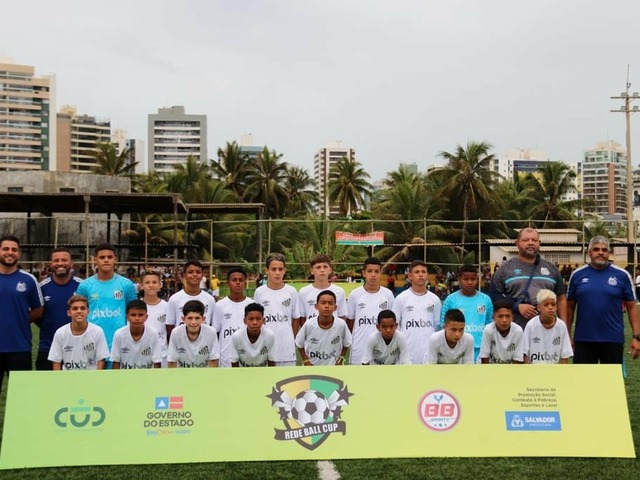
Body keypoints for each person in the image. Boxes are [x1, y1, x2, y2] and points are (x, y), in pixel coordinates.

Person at [566, 236, 640, 364]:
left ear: (608, 253)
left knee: (611, 382)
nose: (600, 252)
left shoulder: (622, 275)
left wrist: (636, 337)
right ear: (589, 253)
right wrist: (567, 335)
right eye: (596, 249)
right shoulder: (577, 275)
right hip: (584, 339)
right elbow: (569, 307)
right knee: (583, 381)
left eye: (604, 250)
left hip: (613, 339)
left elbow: (632, 307)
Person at [490, 227, 566, 330]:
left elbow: (561, 298)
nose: (530, 243)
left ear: (539, 243)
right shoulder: (505, 269)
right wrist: (516, 306)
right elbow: (494, 296)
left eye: (534, 240)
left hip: (547, 331)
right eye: (526, 240)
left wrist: (564, 328)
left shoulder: (552, 268)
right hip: (515, 332)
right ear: (517, 243)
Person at [76, 243, 137, 358]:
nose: (106, 260)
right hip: (91, 344)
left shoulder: (126, 284)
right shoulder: (85, 285)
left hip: (120, 345)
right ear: (95, 260)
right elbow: (77, 313)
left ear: (115, 259)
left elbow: (134, 313)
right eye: (102, 257)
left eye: (109, 257)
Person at [0, 234, 44, 392]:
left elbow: (38, 310)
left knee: (20, 395)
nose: (10, 252)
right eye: (5, 249)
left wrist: (18, 320)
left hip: (19, 348)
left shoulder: (29, 280)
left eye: (14, 250)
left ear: (19, 254)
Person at [34, 247, 82, 370]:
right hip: (48, 349)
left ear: (71, 263)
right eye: (56, 260)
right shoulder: (42, 288)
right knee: (47, 388)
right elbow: (36, 314)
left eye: (64, 260)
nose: (60, 263)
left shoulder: (82, 286)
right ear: (51, 264)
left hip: (78, 348)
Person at [253, 253, 302, 366]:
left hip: (287, 350)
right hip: (265, 349)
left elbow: (296, 319)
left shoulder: (292, 291)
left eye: (280, 269)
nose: (277, 273)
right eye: (273, 269)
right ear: (267, 271)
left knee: (288, 383)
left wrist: (290, 337)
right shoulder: (259, 292)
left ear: (285, 270)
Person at [346, 257, 395, 365]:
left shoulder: (388, 295)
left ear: (380, 273)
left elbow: (392, 322)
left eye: (376, 271)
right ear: (364, 273)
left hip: (382, 348)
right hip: (359, 347)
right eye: (369, 271)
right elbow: (350, 321)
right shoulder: (354, 294)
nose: (373, 275)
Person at [392, 260, 442, 365]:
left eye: (423, 272)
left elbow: (436, 328)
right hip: (407, 355)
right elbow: (395, 327)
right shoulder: (401, 298)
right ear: (410, 276)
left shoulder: (435, 300)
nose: (421, 275)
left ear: (427, 275)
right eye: (417, 272)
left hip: (429, 356)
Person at [440, 264, 493, 362]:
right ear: (459, 280)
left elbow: (489, 326)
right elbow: (443, 325)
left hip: (480, 350)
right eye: (466, 279)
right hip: (458, 351)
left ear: (477, 279)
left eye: (473, 279)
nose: (470, 282)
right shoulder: (450, 300)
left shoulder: (486, 300)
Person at [48, 294, 109, 370]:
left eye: (83, 308)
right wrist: (60, 381)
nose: (79, 311)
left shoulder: (97, 331)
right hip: (68, 379)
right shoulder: (60, 333)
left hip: (90, 379)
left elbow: (101, 360)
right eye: (75, 308)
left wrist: (96, 380)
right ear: (68, 313)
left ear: (88, 311)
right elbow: (56, 361)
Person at [296, 290, 352, 366]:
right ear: (316, 306)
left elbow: (347, 343)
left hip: (333, 367)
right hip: (312, 367)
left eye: (330, 303)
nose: (326, 306)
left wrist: (341, 358)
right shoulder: (309, 324)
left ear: (335, 307)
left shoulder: (341, 324)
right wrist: (306, 361)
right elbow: (299, 344)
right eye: (323, 303)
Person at [212, 267, 254, 367]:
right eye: (234, 280)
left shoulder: (252, 304)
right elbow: (215, 333)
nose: (238, 283)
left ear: (245, 282)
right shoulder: (220, 305)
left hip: (247, 358)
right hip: (226, 358)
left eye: (241, 280)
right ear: (227, 283)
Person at [166, 259, 216, 338]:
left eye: (198, 272)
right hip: (181, 345)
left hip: (203, 344)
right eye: (190, 272)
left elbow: (212, 325)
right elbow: (170, 326)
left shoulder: (210, 299)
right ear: (184, 275)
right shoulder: (174, 299)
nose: (194, 275)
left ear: (202, 275)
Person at [523, 289, 573, 364]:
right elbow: (525, 353)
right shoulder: (531, 325)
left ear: (556, 307)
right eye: (546, 305)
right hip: (534, 372)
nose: (550, 307)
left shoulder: (561, 326)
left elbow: (564, 355)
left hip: (553, 372)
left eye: (553, 305)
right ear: (539, 307)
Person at [167, 300, 219, 368]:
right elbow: (172, 361)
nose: (193, 322)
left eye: (197, 318)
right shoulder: (176, 333)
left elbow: (213, 360)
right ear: (183, 319)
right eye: (190, 318)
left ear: (203, 319)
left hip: (204, 375)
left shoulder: (211, 332)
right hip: (182, 375)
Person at [111, 299, 162, 369]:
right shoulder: (119, 334)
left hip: (147, 378)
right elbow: (116, 362)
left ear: (146, 317)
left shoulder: (153, 334)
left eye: (140, 315)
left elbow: (157, 362)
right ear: (127, 317)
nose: (137, 318)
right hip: (125, 378)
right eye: (133, 315)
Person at [298, 254, 347, 325]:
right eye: (318, 267)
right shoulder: (303, 292)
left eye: (325, 267)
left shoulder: (339, 291)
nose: (322, 270)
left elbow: (342, 316)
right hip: (312, 334)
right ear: (312, 271)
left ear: (330, 269)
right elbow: (302, 319)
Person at [229, 303, 276, 367]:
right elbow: (234, 362)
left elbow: (271, 361)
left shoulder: (269, 336)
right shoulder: (237, 336)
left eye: (258, 318)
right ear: (245, 321)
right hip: (243, 374)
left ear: (263, 320)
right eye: (251, 319)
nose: (254, 322)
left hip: (263, 374)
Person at [479, 299, 524, 364]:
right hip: (491, 369)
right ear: (493, 317)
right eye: (500, 316)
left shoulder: (518, 331)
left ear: (512, 317)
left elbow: (518, 359)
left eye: (507, 316)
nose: (504, 320)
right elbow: (484, 357)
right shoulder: (488, 330)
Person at [140, 271, 169, 367]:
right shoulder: (136, 306)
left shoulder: (167, 306)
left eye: (154, 282)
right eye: (147, 282)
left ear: (160, 285)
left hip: (162, 356)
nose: (151, 285)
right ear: (141, 285)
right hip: (140, 356)